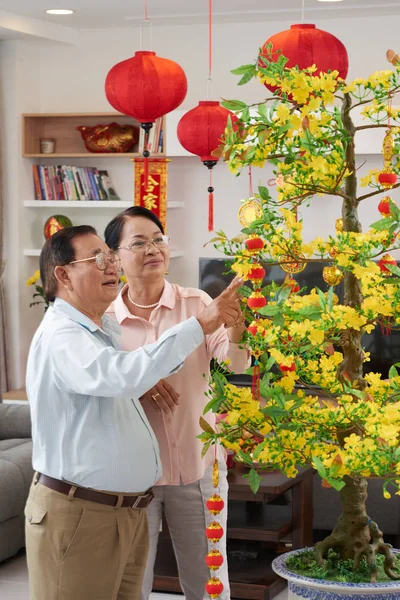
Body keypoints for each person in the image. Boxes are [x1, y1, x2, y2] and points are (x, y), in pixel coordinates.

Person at [25, 225, 243, 600]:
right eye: (99, 259)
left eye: (109, 258)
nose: (110, 266)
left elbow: (229, 366)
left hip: (130, 504)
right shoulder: (63, 336)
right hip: (84, 512)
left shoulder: (101, 330)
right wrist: (198, 327)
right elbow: (120, 376)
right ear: (63, 275)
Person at [105, 207, 250, 600]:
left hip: (197, 467)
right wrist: (140, 383)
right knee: (130, 584)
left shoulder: (197, 304)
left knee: (207, 584)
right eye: (139, 242)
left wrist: (236, 324)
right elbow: (100, 385)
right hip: (132, 478)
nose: (153, 248)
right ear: (115, 256)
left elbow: (232, 365)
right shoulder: (104, 321)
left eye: (158, 239)